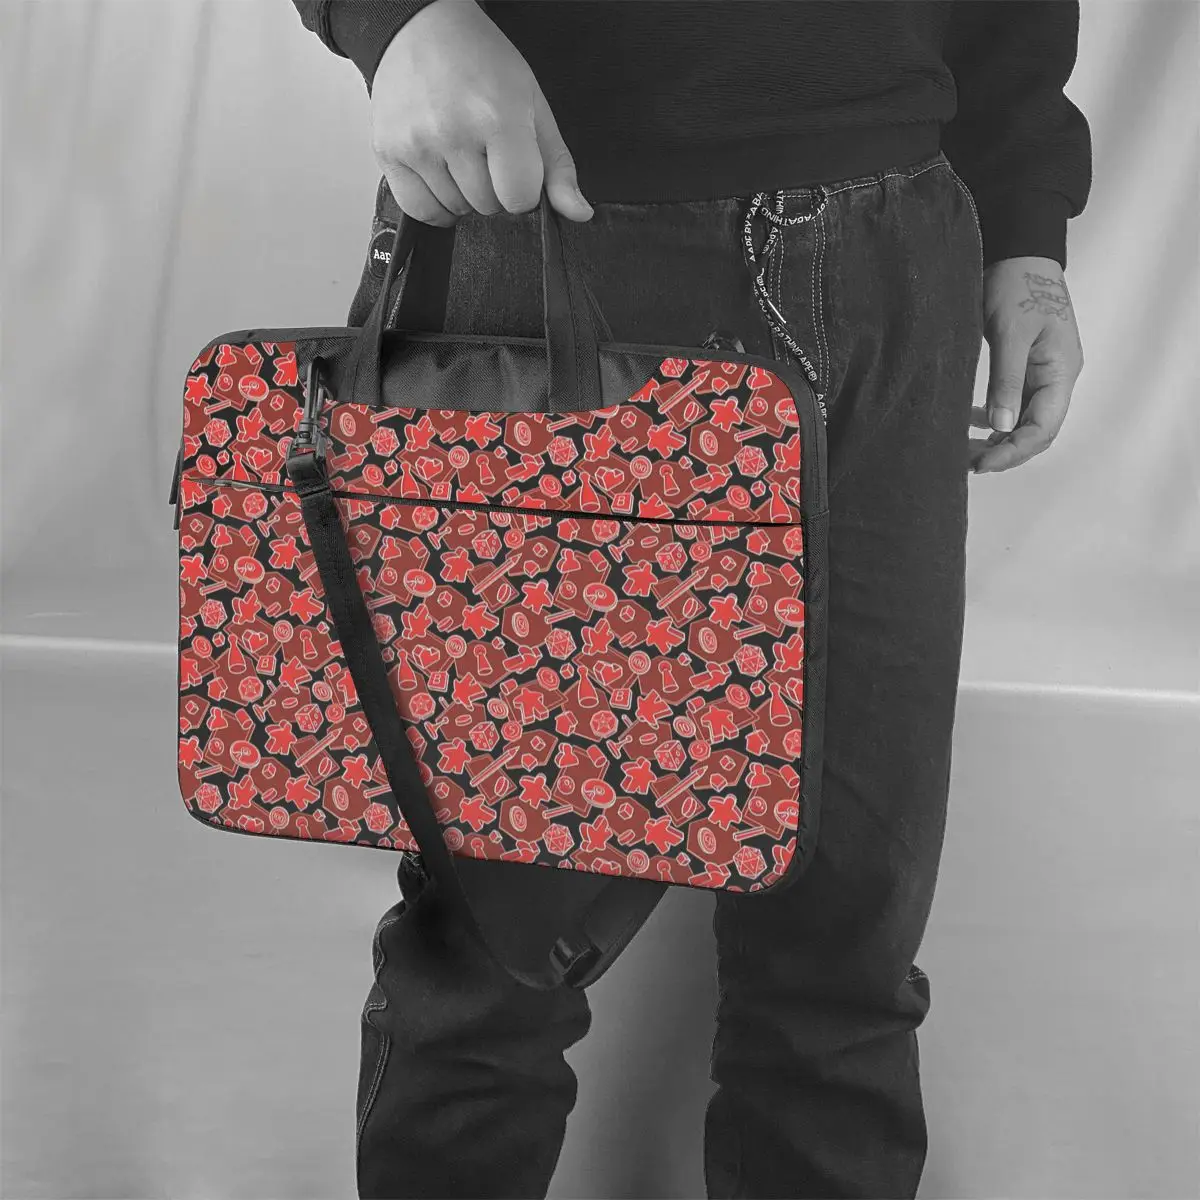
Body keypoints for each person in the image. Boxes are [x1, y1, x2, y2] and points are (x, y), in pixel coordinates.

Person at [289, 2, 1091, 1196]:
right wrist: (400, 17)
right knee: (497, 949)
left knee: (846, 946)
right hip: (560, 222)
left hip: (897, 252)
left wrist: (1024, 218)